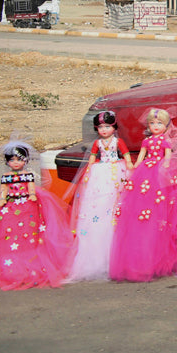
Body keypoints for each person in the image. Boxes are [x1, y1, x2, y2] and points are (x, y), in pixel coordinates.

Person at [110, 107, 177, 283]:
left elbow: (168, 156)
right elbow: (141, 156)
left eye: (159, 123)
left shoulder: (164, 141)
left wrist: (167, 166)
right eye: (152, 123)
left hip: (159, 171)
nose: (155, 126)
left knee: (159, 204)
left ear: (166, 125)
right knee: (142, 203)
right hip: (146, 171)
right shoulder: (147, 141)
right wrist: (136, 166)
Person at [0, 136, 72, 290]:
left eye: (19, 159)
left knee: (29, 231)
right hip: (11, 204)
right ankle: (13, 262)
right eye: (12, 160)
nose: (16, 162)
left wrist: (33, 195)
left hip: (26, 204)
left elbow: (31, 188)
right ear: (7, 161)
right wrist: (2, 199)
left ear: (25, 161)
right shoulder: (7, 177)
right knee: (11, 231)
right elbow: (4, 190)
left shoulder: (27, 175)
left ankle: (31, 259)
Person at [65, 110, 133, 282]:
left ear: (113, 127)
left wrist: (130, 164)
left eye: (107, 127)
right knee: (98, 202)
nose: (104, 130)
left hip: (116, 169)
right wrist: (89, 168)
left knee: (117, 199)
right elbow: (93, 156)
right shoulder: (97, 143)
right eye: (101, 127)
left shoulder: (118, 141)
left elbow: (125, 153)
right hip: (100, 170)